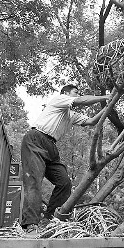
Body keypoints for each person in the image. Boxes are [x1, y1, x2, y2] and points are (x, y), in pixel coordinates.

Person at [20, 83, 109, 234]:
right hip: (35, 139)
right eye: (75, 92)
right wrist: (105, 97)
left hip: (51, 146)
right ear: (66, 93)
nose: (77, 94)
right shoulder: (59, 100)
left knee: (64, 183)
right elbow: (81, 100)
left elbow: (91, 121)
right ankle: (30, 225)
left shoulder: (71, 114)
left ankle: (48, 220)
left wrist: (108, 106)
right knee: (34, 181)